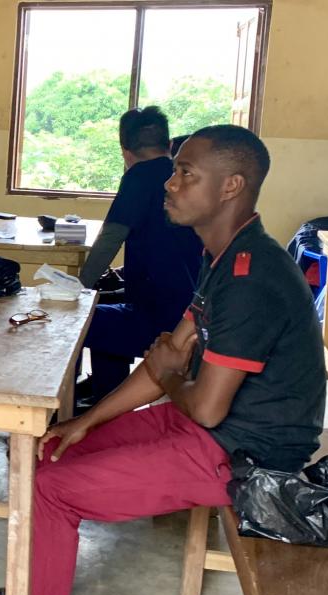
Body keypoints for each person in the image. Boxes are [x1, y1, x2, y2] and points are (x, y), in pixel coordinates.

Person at [0, 126, 324, 595]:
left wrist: (170, 371)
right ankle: (32, 588)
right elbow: (165, 363)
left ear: (233, 186)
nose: (169, 185)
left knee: (54, 491)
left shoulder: (253, 275)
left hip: (245, 455)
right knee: (51, 449)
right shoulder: (223, 257)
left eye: (185, 174)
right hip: (208, 425)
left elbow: (201, 399)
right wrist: (84, 422)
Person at [77, 107, 203, 407]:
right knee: (107, 307)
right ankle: (107, 396)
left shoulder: (139, 177)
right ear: (170, 145)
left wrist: (76, 287)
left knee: (80, 321)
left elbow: (110, 238)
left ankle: (105, 405)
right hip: (192, 310)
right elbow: (167, 243)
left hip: (160, 316)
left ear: (125, 150)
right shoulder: (182, 178)